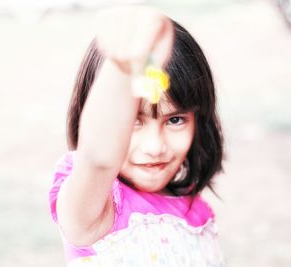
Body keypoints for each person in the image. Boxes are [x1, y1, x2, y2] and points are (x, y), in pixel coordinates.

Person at [49, 6, 225, 266]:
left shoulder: (194, 212)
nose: (155, 147)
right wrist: (122, 66)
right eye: (133, 122)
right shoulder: (95, 210)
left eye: (175, 120)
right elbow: (99, 158)